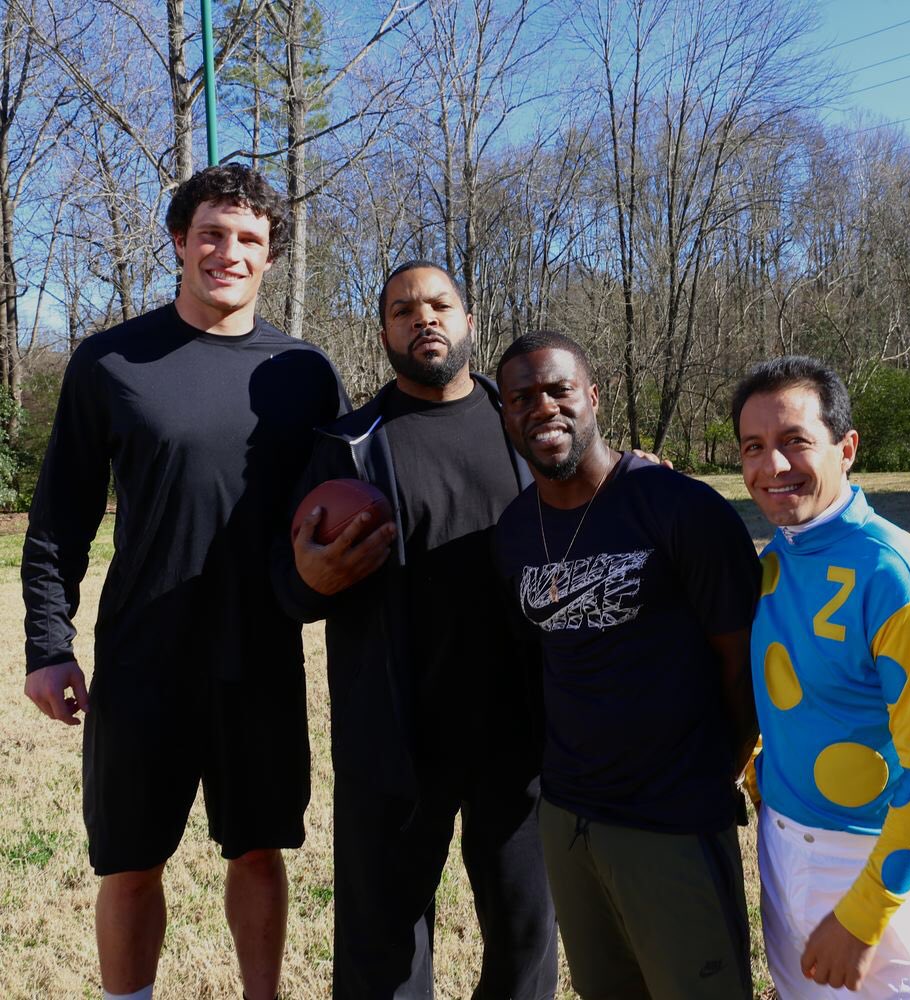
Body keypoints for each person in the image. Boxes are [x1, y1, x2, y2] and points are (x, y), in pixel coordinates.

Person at [22, 164, 348, 1000]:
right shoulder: (110, 362)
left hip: (262, 658)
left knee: (259, 850)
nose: (228, 252)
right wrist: (48, 646)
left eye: (248, 239)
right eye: (211, 233)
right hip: (143, 659)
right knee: (130, 863)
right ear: (178, 240)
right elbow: (59, 515)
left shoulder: (303, 372)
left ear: (270, 257)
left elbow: (358, 495)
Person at [273, 261, 558, 999]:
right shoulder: (346, 448)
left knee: (526, 939)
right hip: (395, 740)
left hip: (521, 733)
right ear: (384, 334)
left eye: (439, 305)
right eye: (403, 310)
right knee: (382, 953)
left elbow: (600, 515)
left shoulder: (527, 428)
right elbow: (288, 590)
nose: (422, 318)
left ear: (467, 321)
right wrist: (308, 580)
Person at [491, 330, 760, 999]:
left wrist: (703, 779)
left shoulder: (681, 508)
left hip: (671, 823)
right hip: (569, 818)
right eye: (521, 397)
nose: (542, 408)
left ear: (593, 396)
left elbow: (741, 665)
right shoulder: (516, 530)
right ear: (505, 415)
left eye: (558, 390)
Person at [731, 355, 910, 997]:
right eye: (754, 447)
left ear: (847, 448)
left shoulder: (901, 579)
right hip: (780, 843)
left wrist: (864, 917)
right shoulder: (777, 556)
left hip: (863, 859)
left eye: (795, 442)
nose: (772, 467)